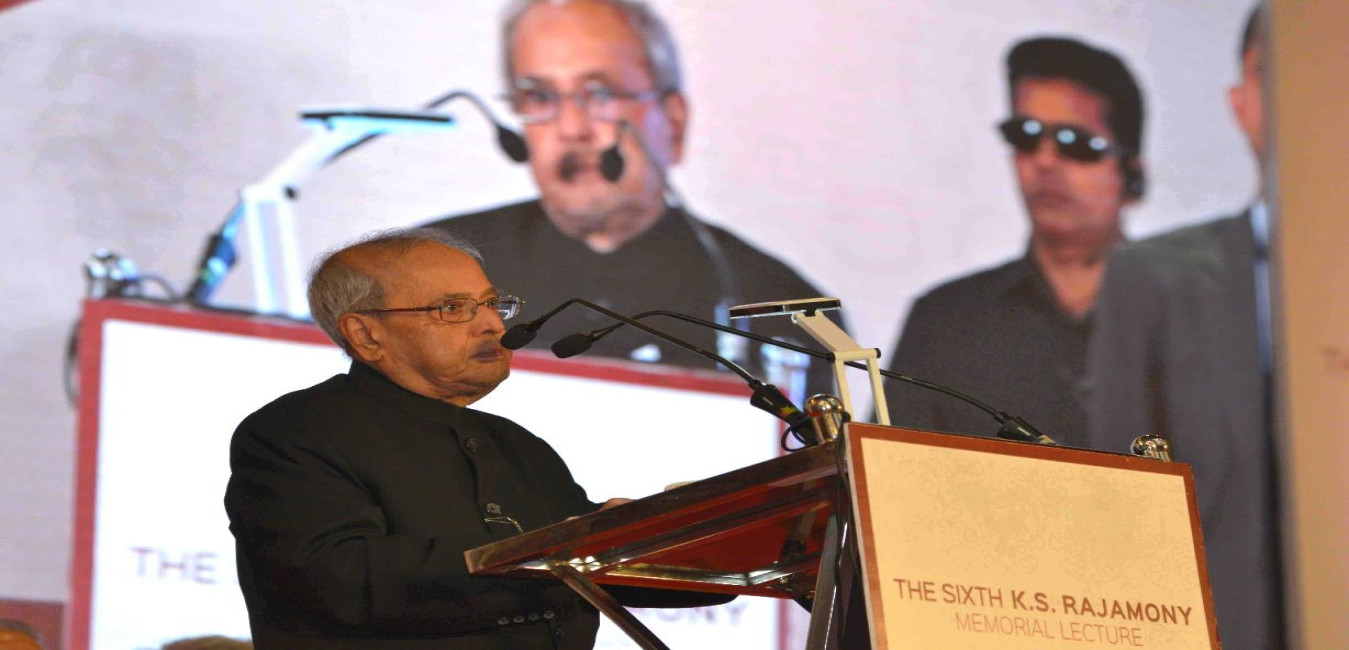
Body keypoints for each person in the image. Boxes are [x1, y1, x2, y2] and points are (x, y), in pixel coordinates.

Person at [225, 228, 725, 648]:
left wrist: (707, 540)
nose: (491, 325)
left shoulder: (520, 447)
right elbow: (344, 578)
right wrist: (558, 549)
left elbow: (603, 568)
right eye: (453, 308)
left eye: (491, 304)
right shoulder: (296, 431)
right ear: (366, 334)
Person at [424, 0, 837, 399]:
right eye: (542, 98)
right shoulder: (433, 268)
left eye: (601, 93)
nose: (572, 129)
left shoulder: (780, 305)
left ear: (673, 124)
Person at [1085, 7, 1282, 648]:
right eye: (1272, 71)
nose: (1297, 92)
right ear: (1240, 101)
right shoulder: (1151, 282)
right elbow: (1121, 519)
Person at [880, 37, 1146, 444]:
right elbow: (886, 470)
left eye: (1075, 142)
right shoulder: (945, 320)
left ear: (1131, 172)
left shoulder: (1185, 319)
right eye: (1025, 136)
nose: (1044, 160)